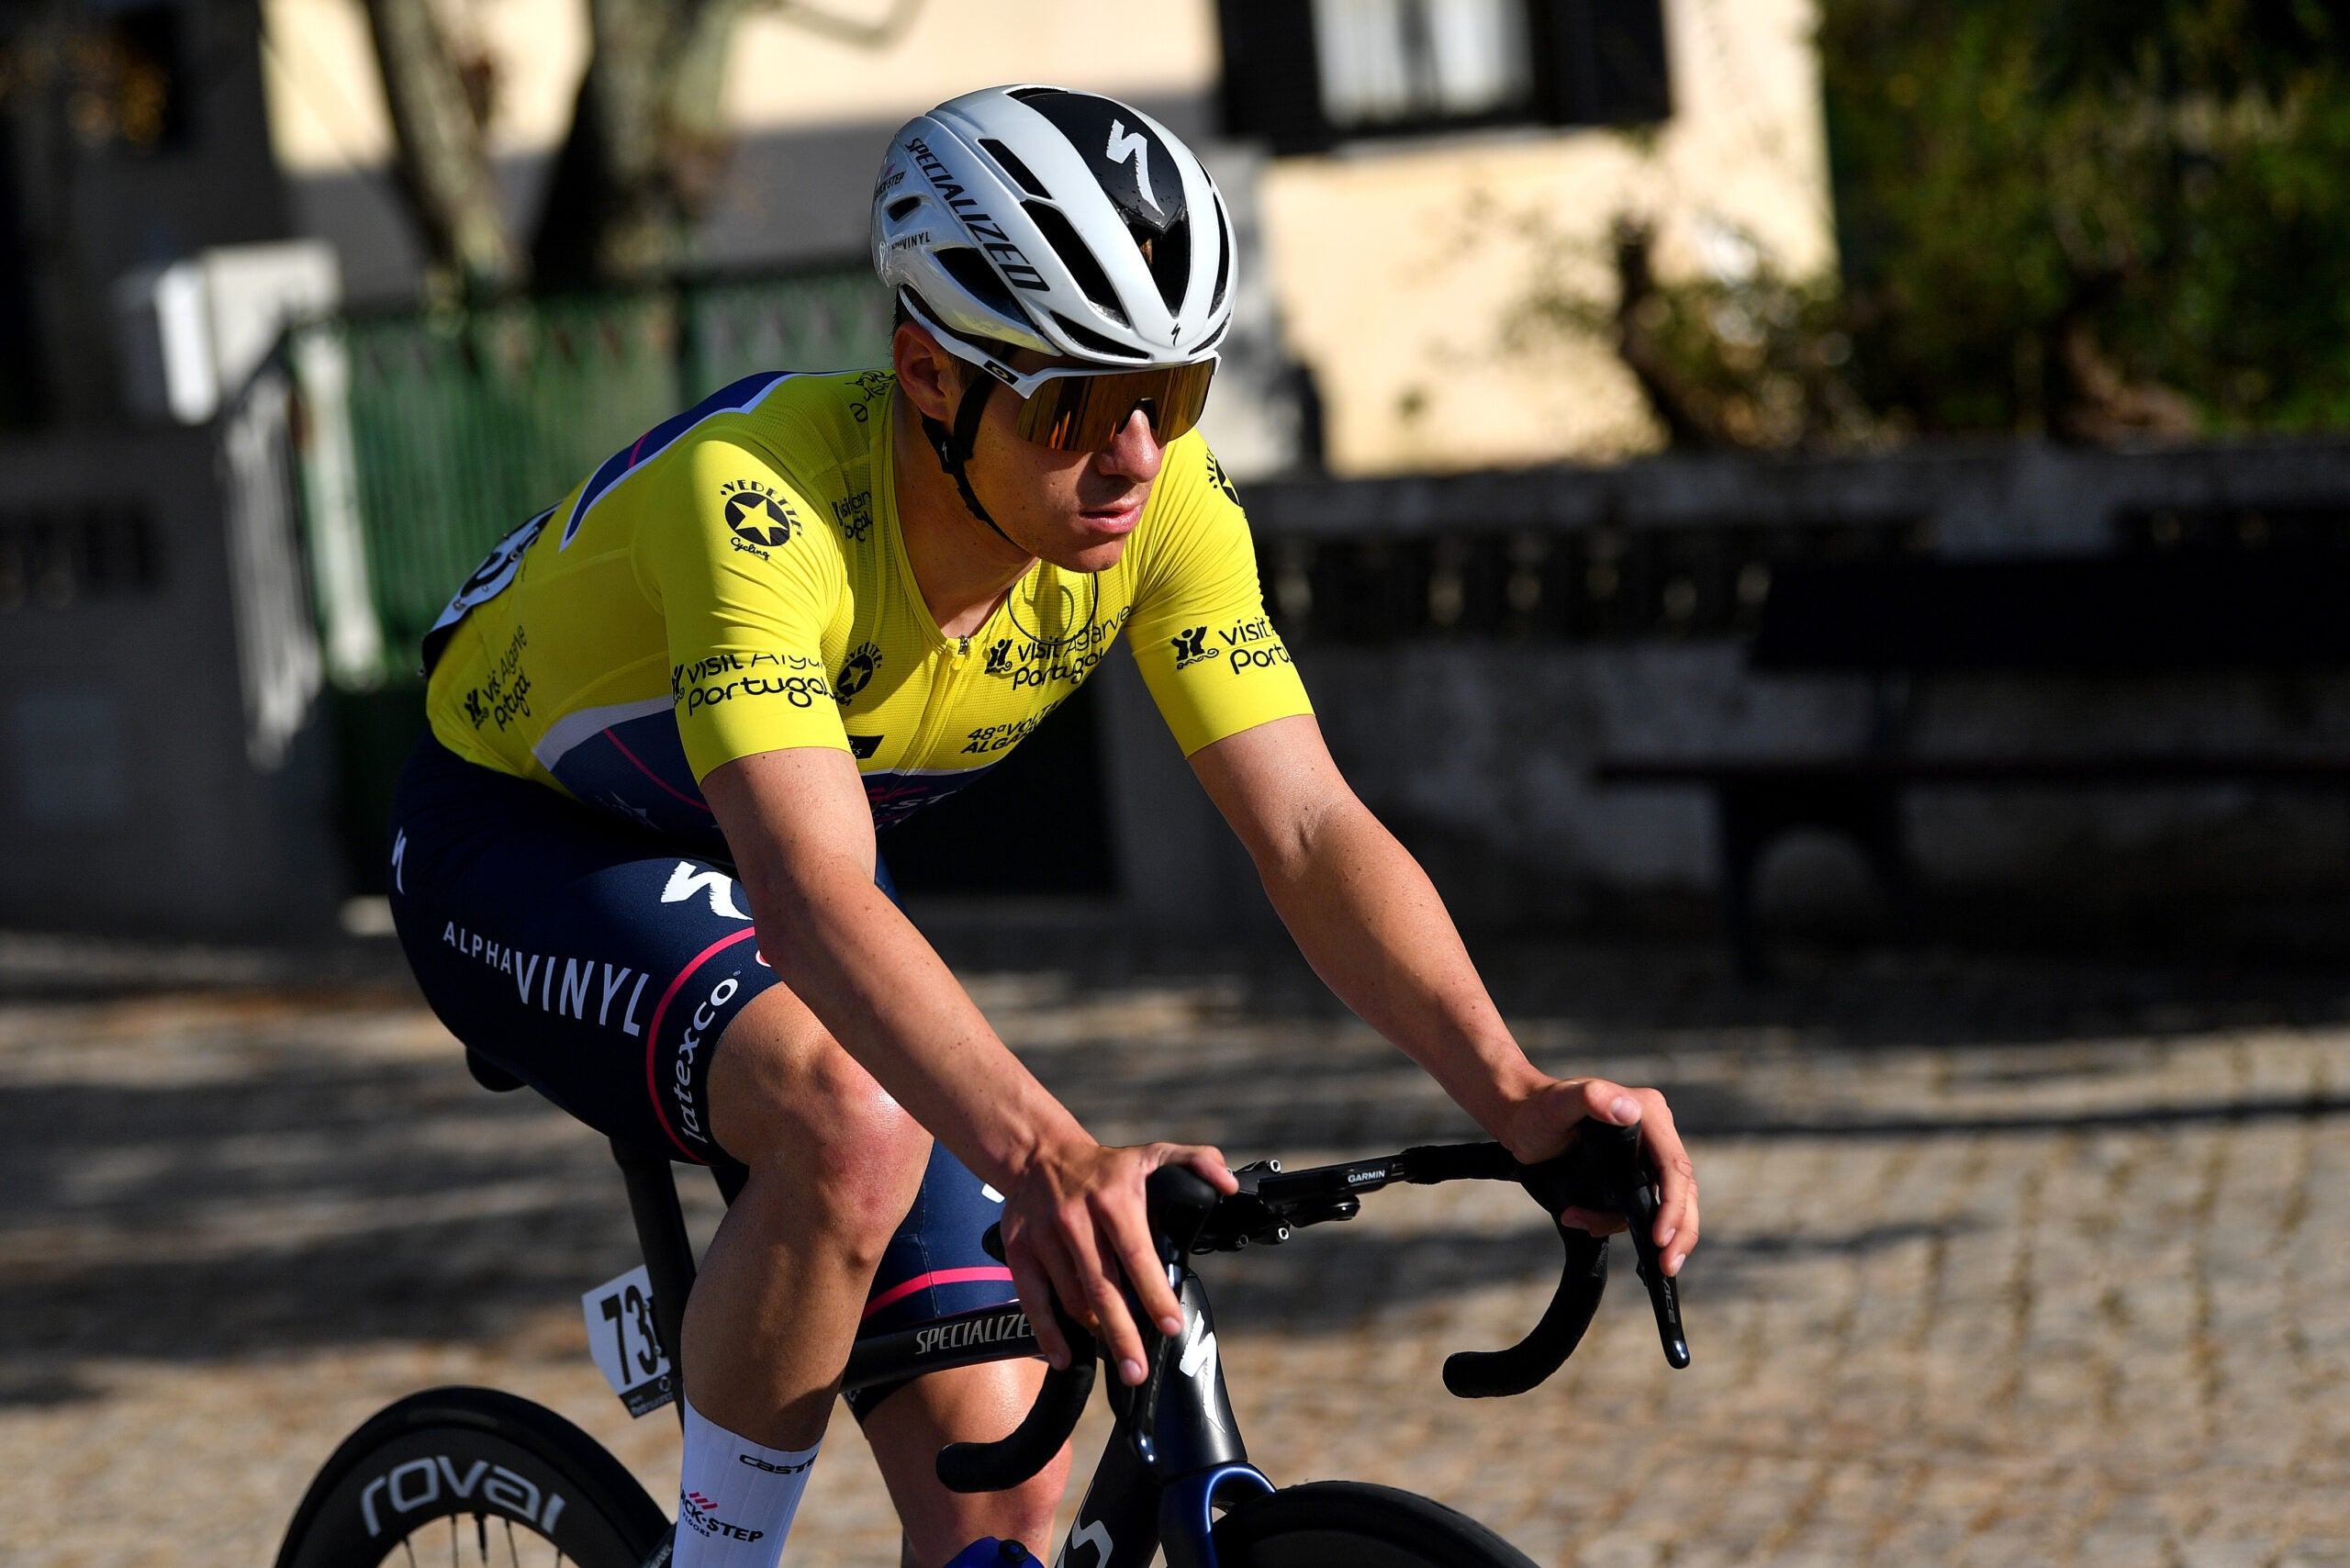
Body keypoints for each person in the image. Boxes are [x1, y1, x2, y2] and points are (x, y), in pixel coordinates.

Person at [386, 84, 1700, 1568]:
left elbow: (1312, 830)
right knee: (849, 1117)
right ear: (928, 374)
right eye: (1075, 405)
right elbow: (813, 895)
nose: (1135, 453)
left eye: (1175, 392)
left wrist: (1515, 1091)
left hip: (763, 865)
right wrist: (1053, 1158)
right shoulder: (757, 505)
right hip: (520, 843)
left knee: (997, 1502)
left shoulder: (1163, 510)